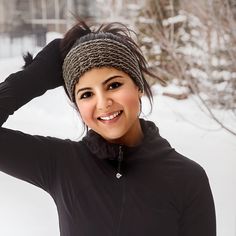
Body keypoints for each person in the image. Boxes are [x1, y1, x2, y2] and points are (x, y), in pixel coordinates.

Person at [0, 19, 216, 236]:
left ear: (138, 86)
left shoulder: (188, 178)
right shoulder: (61, 164)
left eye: (114, 85)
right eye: (86, 94)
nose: (103, 103)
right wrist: (32, 78)